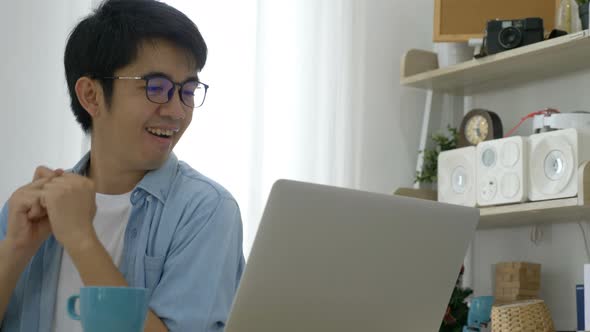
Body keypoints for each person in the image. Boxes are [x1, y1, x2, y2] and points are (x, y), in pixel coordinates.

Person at [0, 0, 245, 331]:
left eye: (187, 90)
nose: (176, 111)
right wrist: (15, 248)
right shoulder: (31, 208)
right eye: (156, 88)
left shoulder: (206, 210)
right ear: (92, 96)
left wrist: (82, 239)